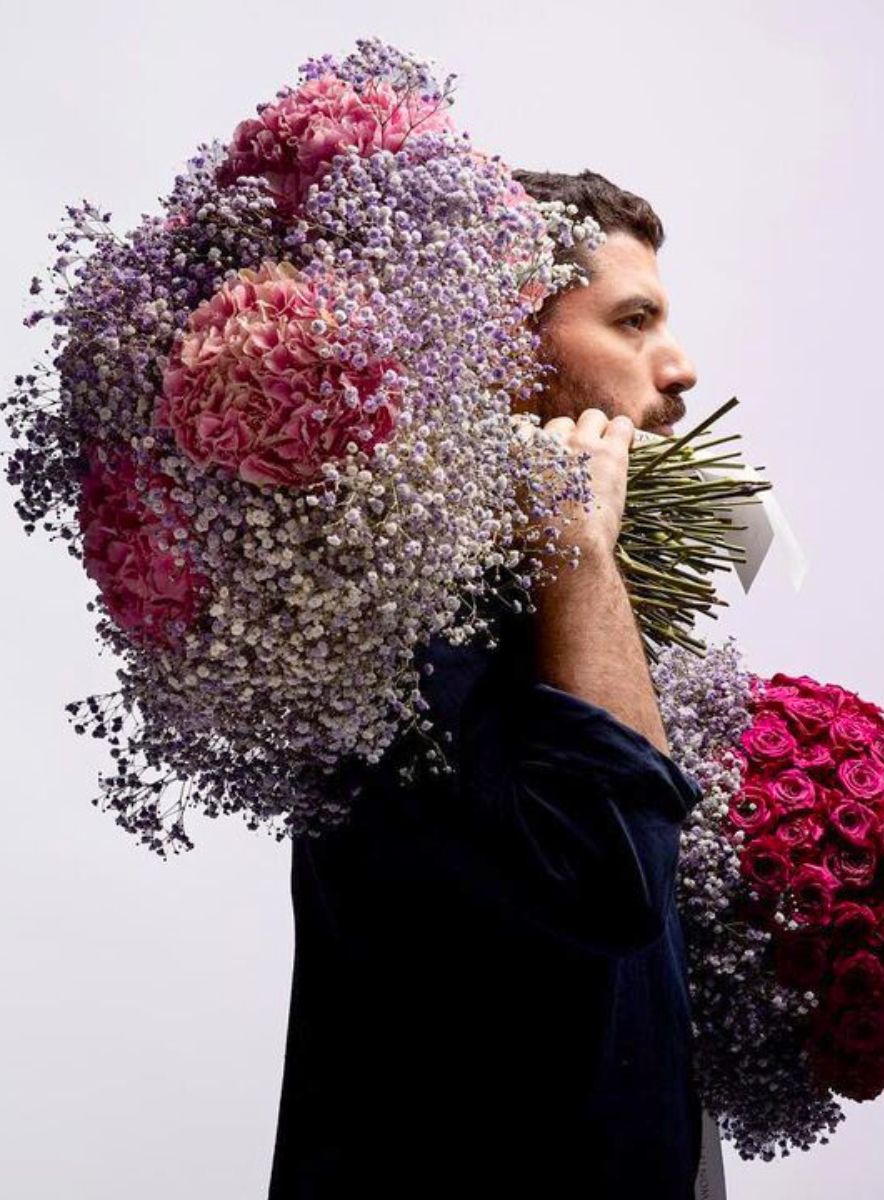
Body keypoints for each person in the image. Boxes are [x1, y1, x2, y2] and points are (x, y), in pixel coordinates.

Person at [266, 169, 704, 1198]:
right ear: (494, 345)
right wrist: (577, 550)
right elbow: (611, 880)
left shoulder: (537, 610)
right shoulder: (402, 629)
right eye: (632, 321)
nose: (679, 367)